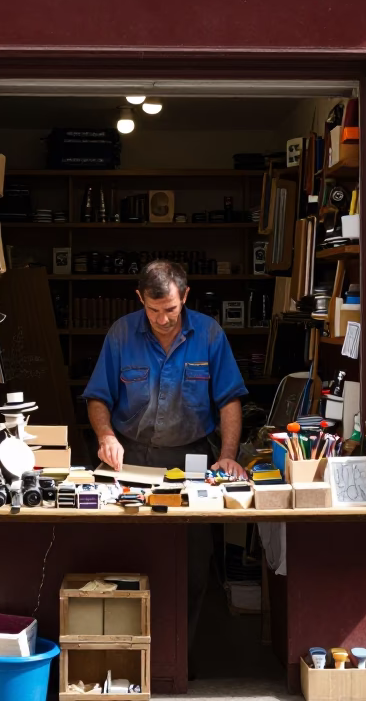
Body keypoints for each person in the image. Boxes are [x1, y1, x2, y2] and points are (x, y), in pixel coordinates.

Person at [81, 258, 249, 658]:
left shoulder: (208, 334)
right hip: (130, 460)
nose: (162, 319)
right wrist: (105, 436)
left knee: (191, 565)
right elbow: (98, 397)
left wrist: (227, 456)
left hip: (191, 461)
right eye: (153, 310)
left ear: (185, 297)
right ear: (140, 299)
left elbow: (229, 401)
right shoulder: (122, 334)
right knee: (128, 561)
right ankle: (129, 657)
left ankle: (180, 657)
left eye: (170, 310)